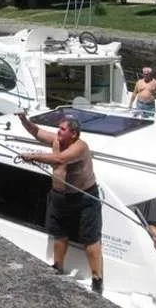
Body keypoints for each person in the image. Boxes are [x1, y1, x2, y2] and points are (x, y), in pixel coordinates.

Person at [17, 112, 104, 294]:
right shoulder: (57, 141)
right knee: (59, 233)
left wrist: (32, 156)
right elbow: (36, 132)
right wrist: (24, 120)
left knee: (90, 239)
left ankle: (97, 279)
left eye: (62, 129)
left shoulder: (80, 147)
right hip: (60, 197)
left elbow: (60, 159)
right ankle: (58, 266)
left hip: (84, 197)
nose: (58, 132)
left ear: (73, 134)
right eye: (58, 128)